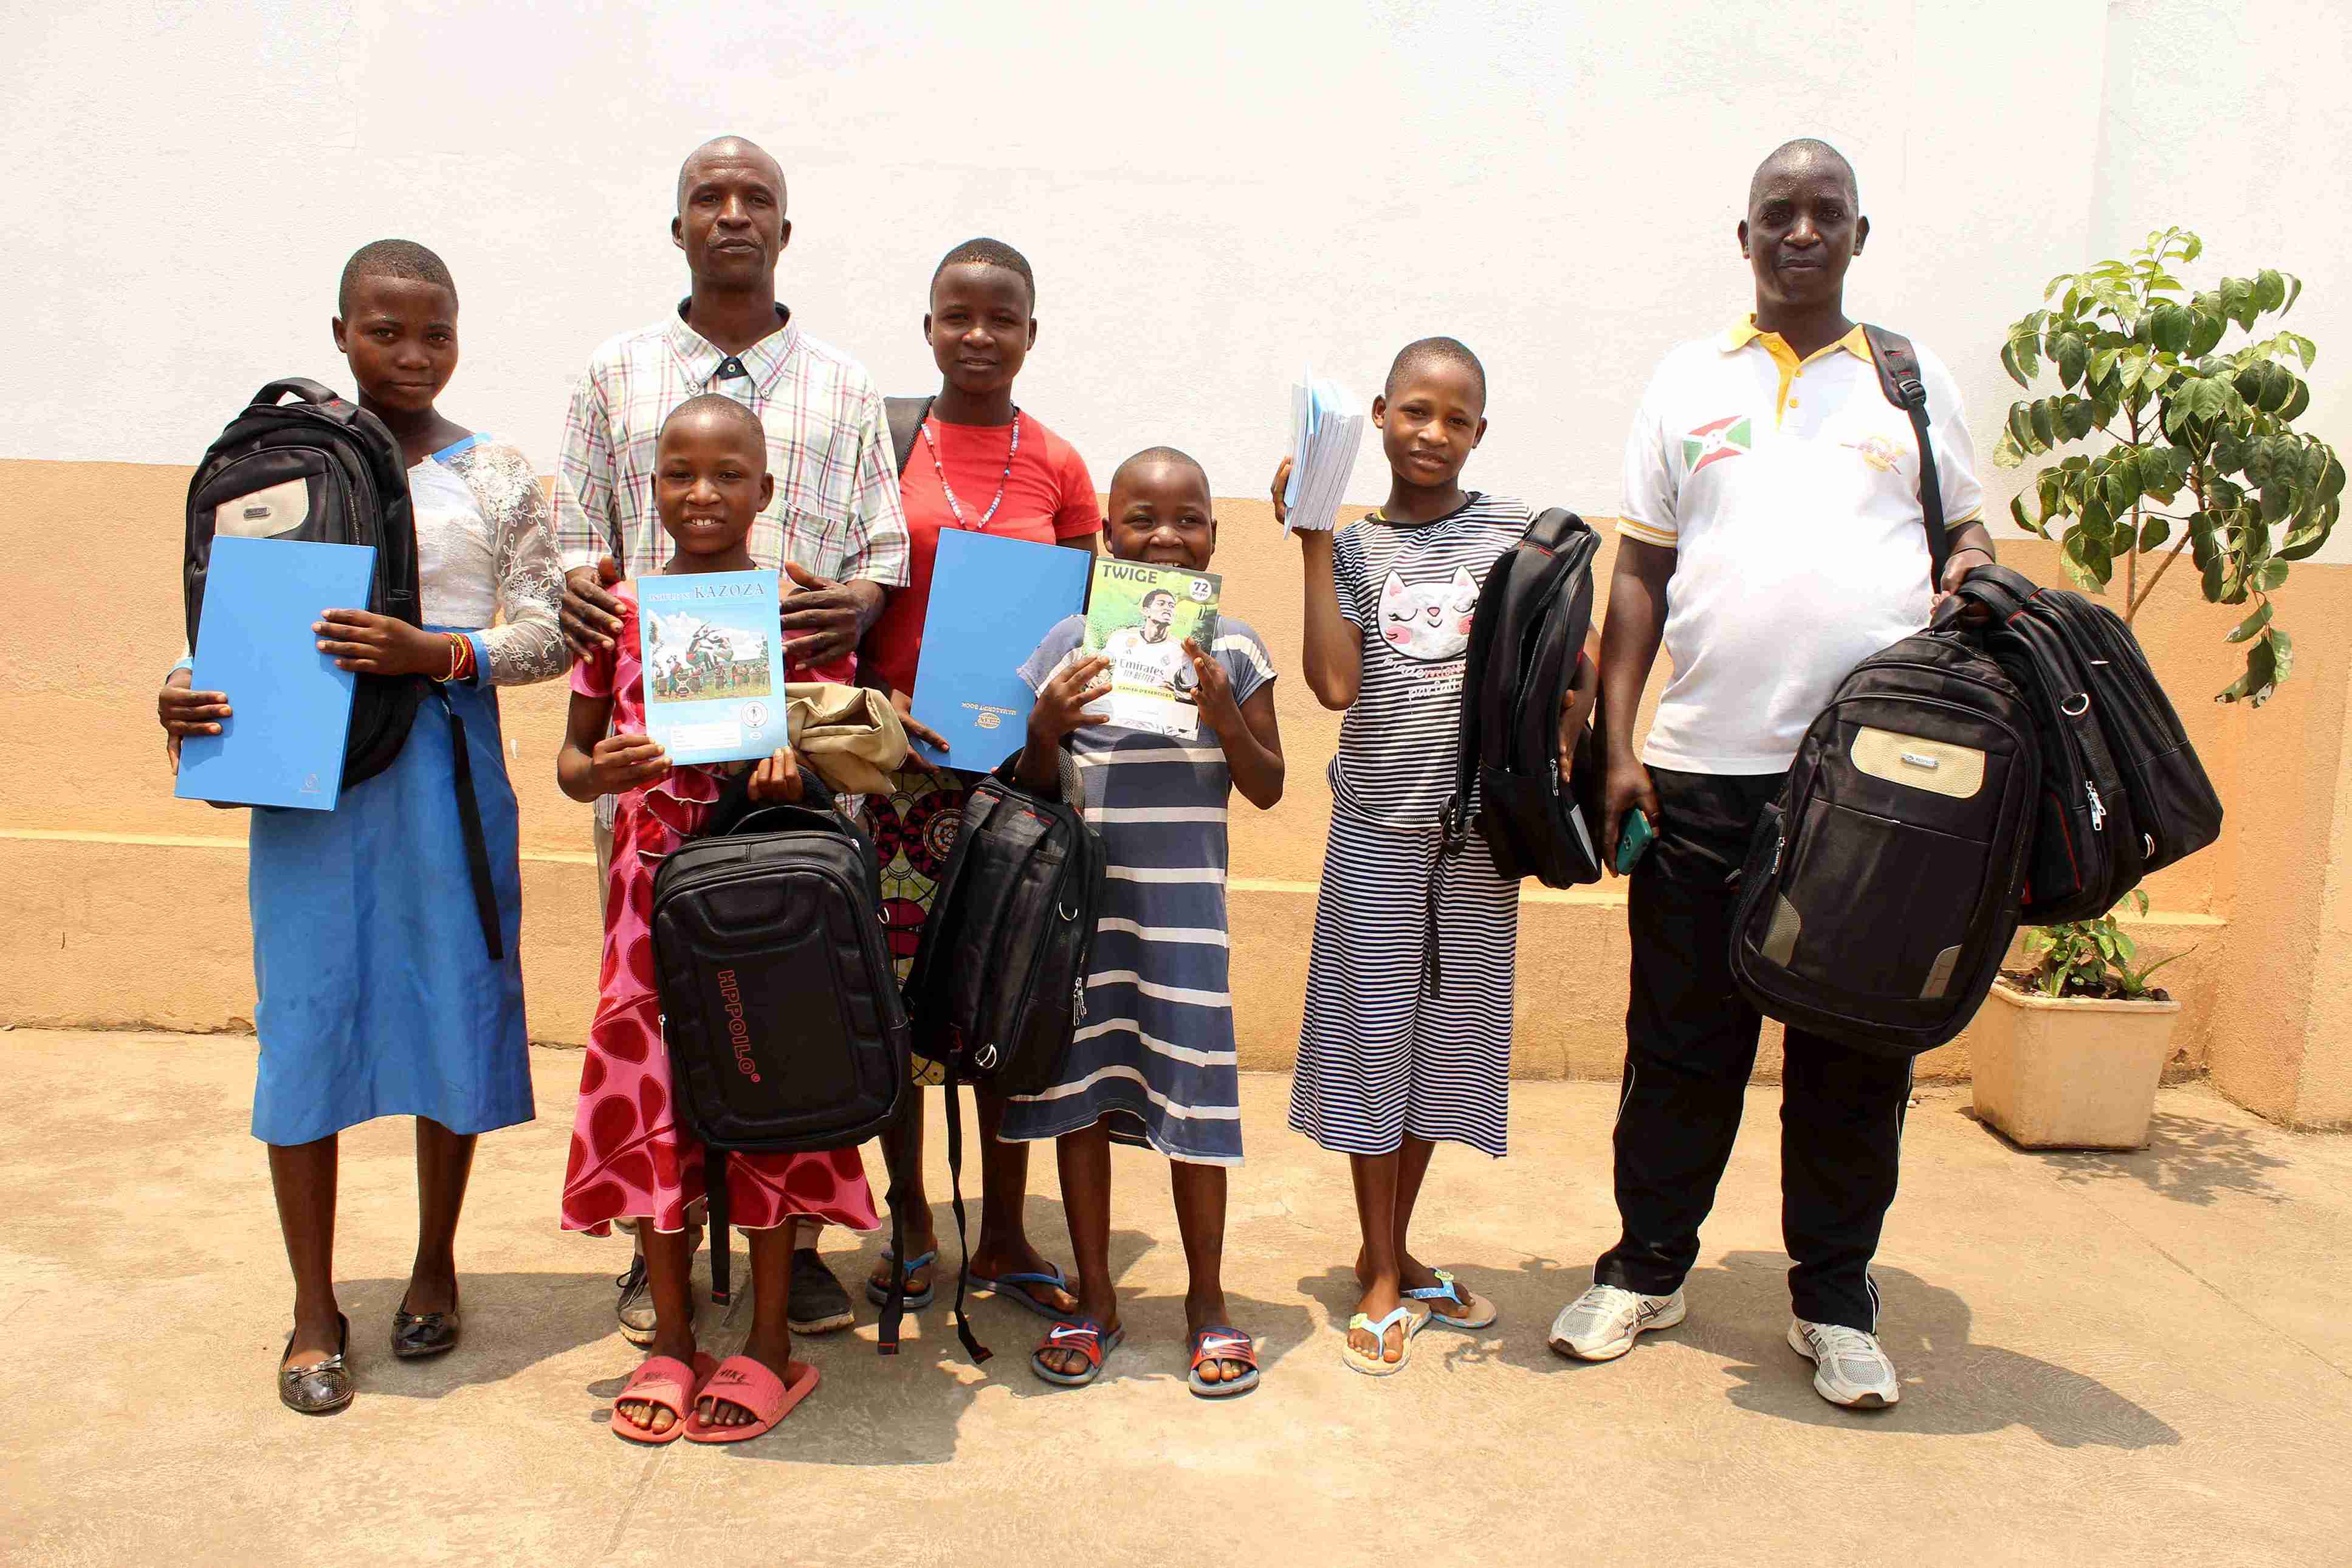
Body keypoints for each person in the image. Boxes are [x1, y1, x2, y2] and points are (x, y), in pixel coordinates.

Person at [1548, 139, 1998, 1409]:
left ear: (1861, 232)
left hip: (1876, 794)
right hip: (1700, 776)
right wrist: (1621, 749)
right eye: (1776, 215)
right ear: (1742, 238)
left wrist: (1967, 565)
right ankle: (1646, 1267)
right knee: (1683, 1039)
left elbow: (1965, 522)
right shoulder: (1688, 382)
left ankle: (1834, 1296)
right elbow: (1639, 575)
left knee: (1855, 1051)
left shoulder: (1910, 382)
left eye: (1826, 214)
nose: (1802, 232)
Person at [155, 240, 566, 1414]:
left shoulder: (500, 478)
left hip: (443, 775)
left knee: (456, 1008)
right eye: (386, 330)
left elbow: (545, 632)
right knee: (309, 1022)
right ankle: (313, 1305)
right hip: (309, 792)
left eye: (434, 332)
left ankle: (437, 1263)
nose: (412, 354)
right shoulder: (277, 467)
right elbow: (223, 620)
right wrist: (183, 685)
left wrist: (438, 651)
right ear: (340, 332)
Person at [554, 134, 910, 1341]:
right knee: (660, 1020)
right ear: (678, 227)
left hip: (783, 779)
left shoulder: (848, 388)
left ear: (786, 228)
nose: (733, 214)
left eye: (756, 198)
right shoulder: (615, 377)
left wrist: (846, 609)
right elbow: (576, 546)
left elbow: (882, 559)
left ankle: (789, 1253)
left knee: (782, 1010)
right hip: (653, 791)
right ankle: (664, 1237)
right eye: (709, 198)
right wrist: (597, 627)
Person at [559, 394, 879, 1445]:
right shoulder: (622, 609)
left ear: (767, 490)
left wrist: (793, 770)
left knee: (771, 1081)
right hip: (649, 889)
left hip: (763, 883)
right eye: (680, 476)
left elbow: (840, 747)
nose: (703, 496)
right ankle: (673, 1339)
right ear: (650, 489)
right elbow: (571, 761)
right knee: (655, 1094)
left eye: (727, 476)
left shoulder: (790, 605)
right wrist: (596, 769)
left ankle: (773, 1344)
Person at [1278, 339, 1598, 1376]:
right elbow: (1333, 686)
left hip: (1478, 845)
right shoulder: (1357, 549)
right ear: (1376, 415)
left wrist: (1558, 741)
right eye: (1414, 411)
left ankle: (1398, 1248)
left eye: (1455, 419)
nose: (1432, 434)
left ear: (1480, 433)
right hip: (1375, 828)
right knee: (1372, 1043)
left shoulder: (1517, 534)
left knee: (1439, 1050)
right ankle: (1377, 1270)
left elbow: (1570, 660)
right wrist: (1312, 541)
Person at [1004, 447, 1284, 1395]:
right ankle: (1095, 1299)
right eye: (1141, 521)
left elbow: (1269, 785)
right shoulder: (1067, 645)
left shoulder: (1233, 649)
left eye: (1189, 520)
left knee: (1193, 1100)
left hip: (1182, 928)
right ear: (1105, 536)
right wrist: (1043, 730)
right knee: (1081, 1102)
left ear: (1213, 537)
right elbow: (1027, 790)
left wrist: (1224, 715)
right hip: (1083, 924)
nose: (1165, 538)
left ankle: (1207, 1302)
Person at [857, 238, 1096, 1326]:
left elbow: (1090, 622)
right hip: (894, 781)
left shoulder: (1060, 463)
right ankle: (911, 1218)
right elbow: (843, 609)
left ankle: (1002, 1231)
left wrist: (1043, 725)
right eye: (958, 315)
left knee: (1009, 1001)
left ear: (1032, 335)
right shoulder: (882, 448)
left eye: (1002, 318)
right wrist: (870, 716)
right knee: (895, 1016)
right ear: (929, 326)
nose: (978, 336)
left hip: (1011, 789)